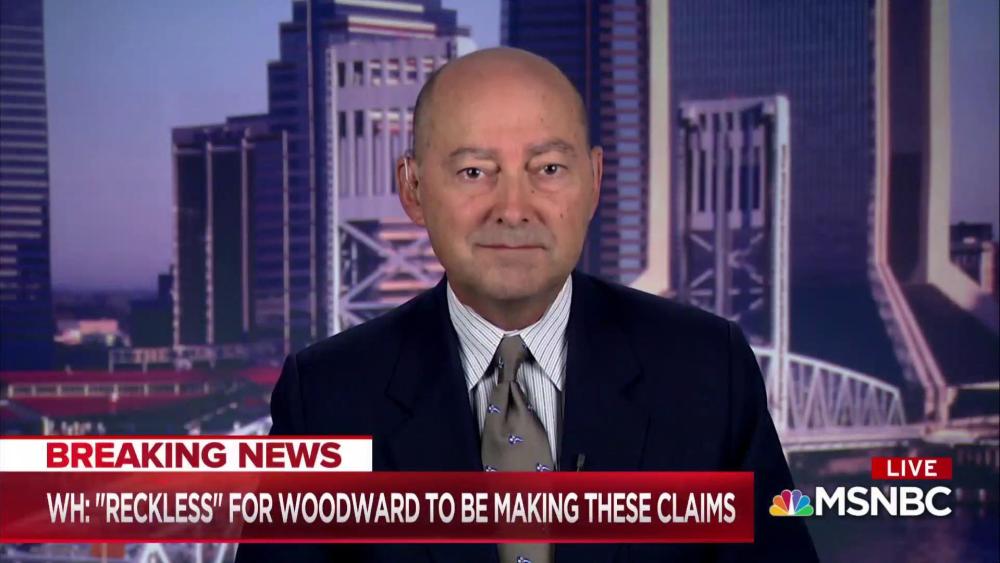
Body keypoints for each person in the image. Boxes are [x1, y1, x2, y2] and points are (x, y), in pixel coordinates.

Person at [236, 47, 818, 563]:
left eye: (548, 169)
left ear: (594, 180)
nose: (513, 209)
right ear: (412, 188)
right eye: (474, 171)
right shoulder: (325, 398)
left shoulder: (707, 370)